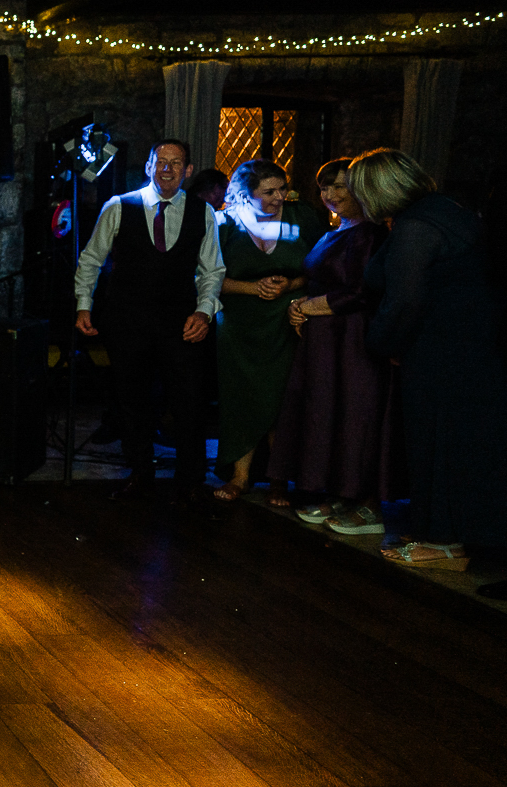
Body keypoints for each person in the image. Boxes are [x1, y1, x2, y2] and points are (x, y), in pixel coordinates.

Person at [353, 149, 507, 571]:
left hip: (444, 353)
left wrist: (381, 345)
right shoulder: (445, 209)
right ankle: (447, 534)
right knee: (458, 446)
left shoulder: (417, 226)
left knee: (438, 447)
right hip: (471, 350)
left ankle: (444, 544)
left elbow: (404, 302)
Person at [74, 140, 224, 498]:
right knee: (132, 399)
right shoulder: (118, 206)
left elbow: (212, 270)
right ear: (148, 166)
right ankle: (139, 473)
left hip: (181, 321)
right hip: (127, 319)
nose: (168, 169)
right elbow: (92, 258)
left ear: (187, 170)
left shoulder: (202, 212)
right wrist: (84, 304)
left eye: (176, 163)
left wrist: (204, 312)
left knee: (189, 400)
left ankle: (191, 479)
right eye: (161, 162)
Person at [269, 159, 402, 534]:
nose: (330, 195)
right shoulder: (336, 230)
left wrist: (308, 307)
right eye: (325, 188)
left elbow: (363, 290)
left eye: (340, 187)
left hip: (354, 340)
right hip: (326, 342)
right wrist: (298, 306)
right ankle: (343, 493)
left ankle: (368, 504)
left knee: (357, 413)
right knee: (331, 413)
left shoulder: (372, 233)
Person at [211, 159, 326, 503]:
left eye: (282, 189)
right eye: (268, 192)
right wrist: (252, 289)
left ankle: (279, 477)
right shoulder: (223, 223)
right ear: (245, 195)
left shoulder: (302, 216)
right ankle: (240, 475)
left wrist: (292, 283)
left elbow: (324, 266)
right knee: (240, 397)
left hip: (287, 318)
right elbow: (206, 277)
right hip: (239, 323)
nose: (279, 197)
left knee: (283, 397)